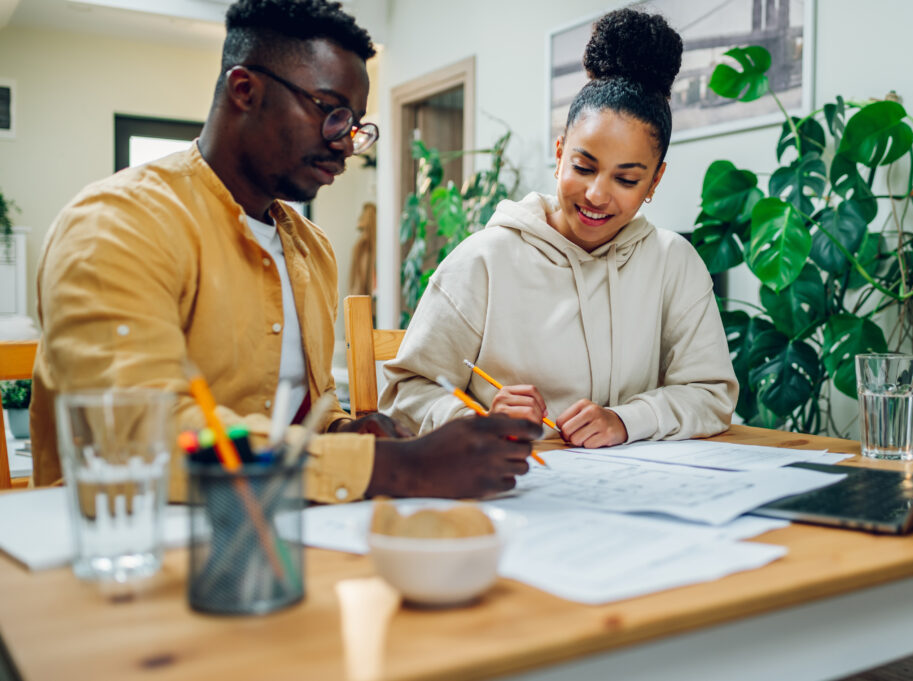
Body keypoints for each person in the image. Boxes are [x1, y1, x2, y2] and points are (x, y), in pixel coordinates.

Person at [30, 0, 539, 502]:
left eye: (356, 124)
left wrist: (345, 431)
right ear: (245, 91)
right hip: (130, 544)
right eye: (330, 111)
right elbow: (135, 436)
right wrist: (394, 468)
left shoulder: (310, 249)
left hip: (285, 530)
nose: (344, 141)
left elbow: (306, 410)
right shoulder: (117, 225)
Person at [380, 8, 737, 449]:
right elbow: (403, 395)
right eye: (583, 167)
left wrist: (626, 420)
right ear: (559, 152)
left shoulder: (672, 262)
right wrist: (476, 420)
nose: (596, 195)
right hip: (514, 495)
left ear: (655, 181)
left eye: (626, 179)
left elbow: (711, 394)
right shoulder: (484, 261)